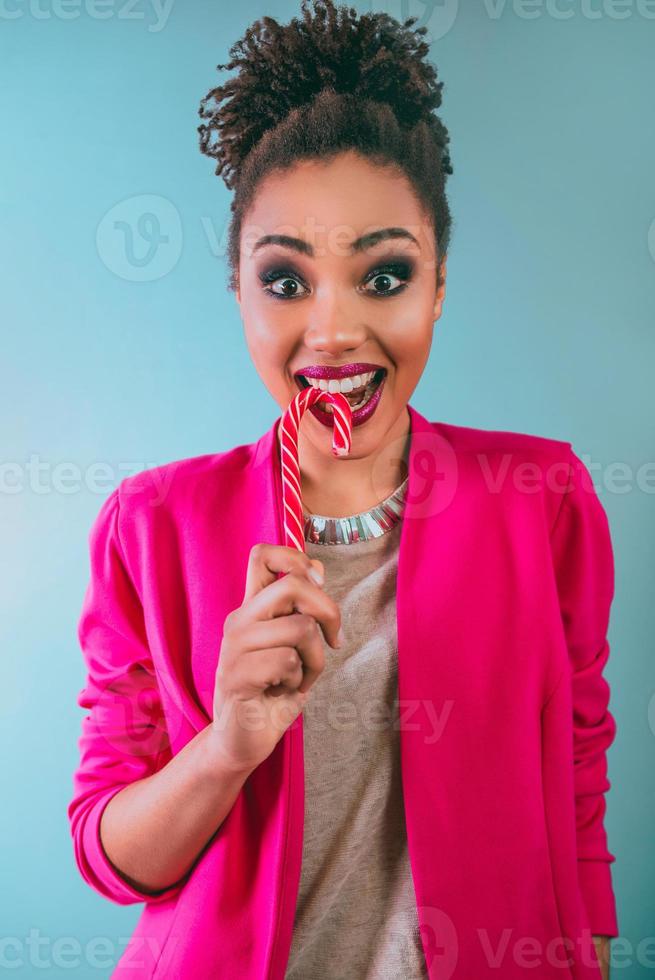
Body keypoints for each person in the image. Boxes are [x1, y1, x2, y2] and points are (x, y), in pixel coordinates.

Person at [67, 1, 618, 977]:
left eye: (384, 273)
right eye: (285, 280)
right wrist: (227, 743)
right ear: (236, 286)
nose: (331, 331)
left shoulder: (544, 496)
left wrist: (593, 951)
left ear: (438, 283)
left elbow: (577, 767)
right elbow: (111, 857)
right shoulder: (150, 527)